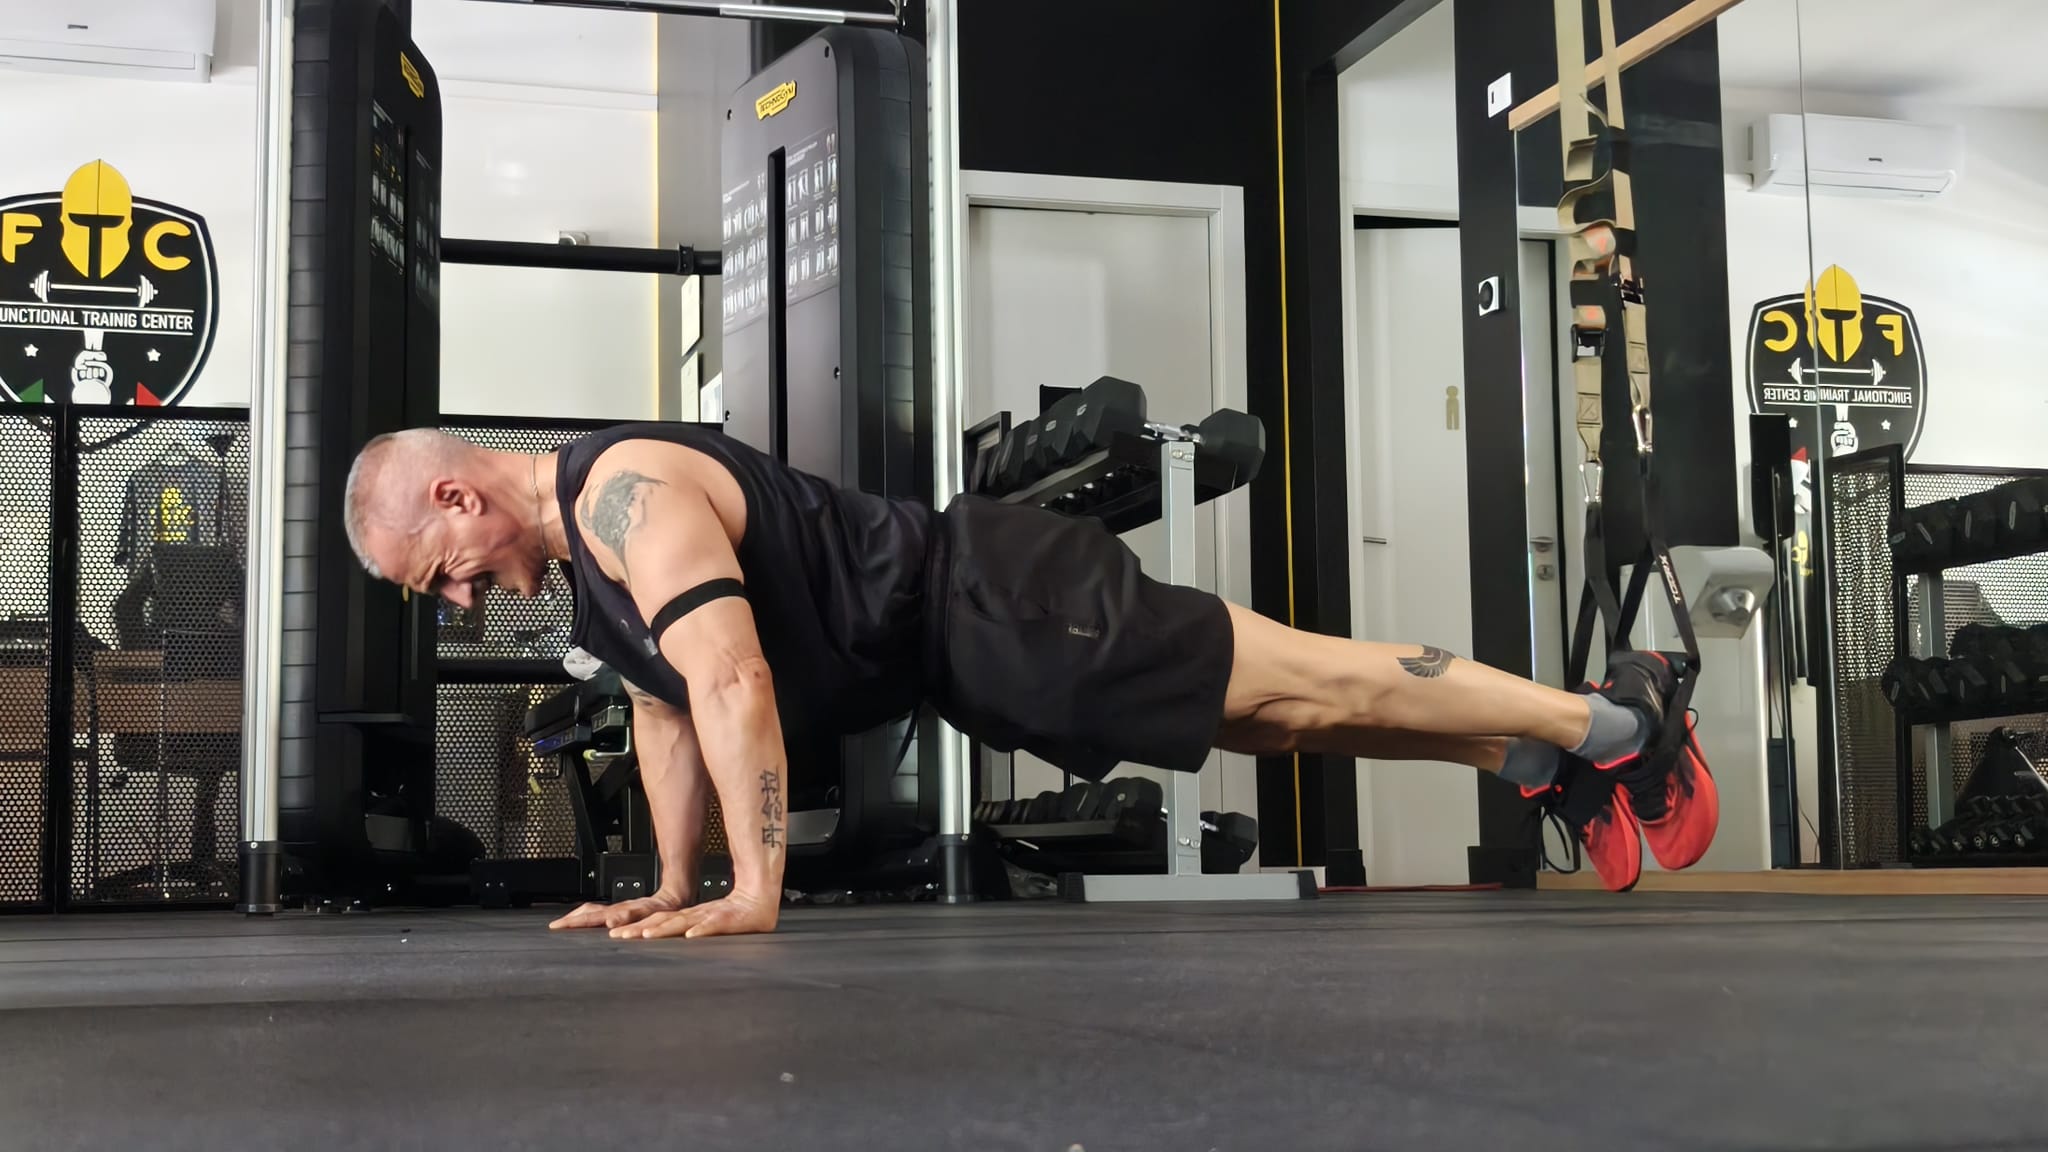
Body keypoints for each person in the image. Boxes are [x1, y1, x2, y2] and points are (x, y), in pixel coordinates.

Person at [342, 422, 1717, 936]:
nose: (460, 601)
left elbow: (733, 685)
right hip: (973, 659)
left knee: (1310, 678)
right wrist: (672, 880)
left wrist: (755, 890)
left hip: (997, 597)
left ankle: (1618, 717)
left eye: (440, 575)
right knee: (1280, 724)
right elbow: (663, 714)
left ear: (458, 498)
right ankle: (1526, 757)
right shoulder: (585, 570)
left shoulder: (627, 494)